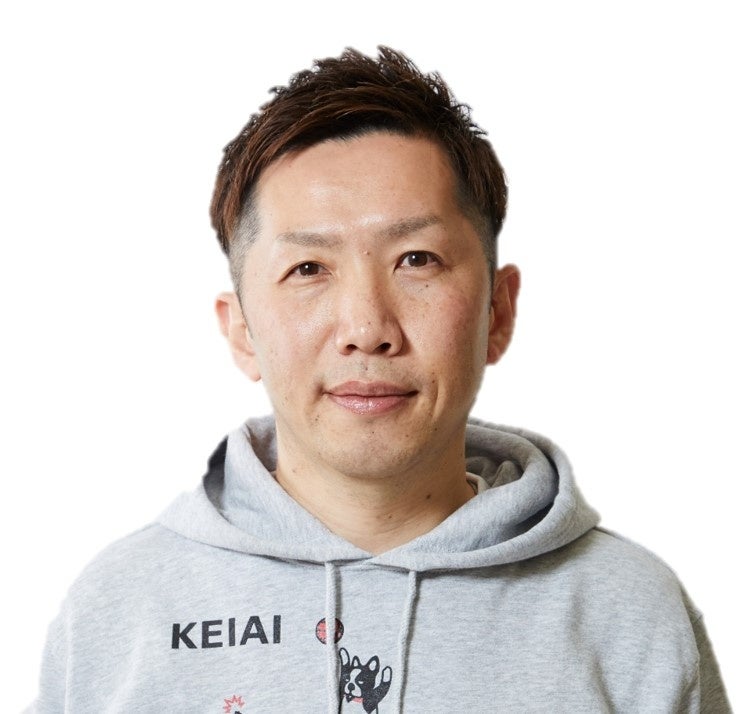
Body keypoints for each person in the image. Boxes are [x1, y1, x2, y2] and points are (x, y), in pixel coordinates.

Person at [30, 46, 730, 713]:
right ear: (241, 329)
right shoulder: (120, 612)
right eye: (308, 268)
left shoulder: (630, 613)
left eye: (417, 259)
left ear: (497, 311)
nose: (367, 327)